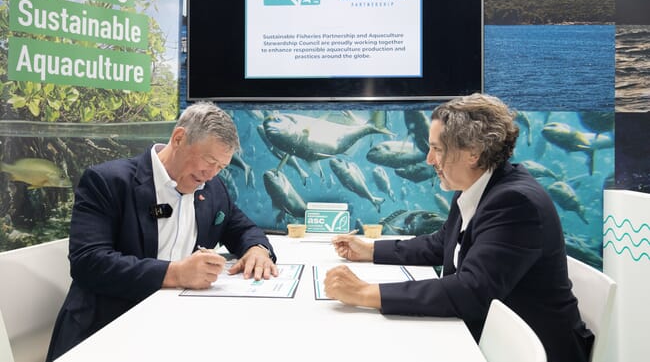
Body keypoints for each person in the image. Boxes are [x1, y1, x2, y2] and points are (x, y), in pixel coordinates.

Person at [324, 93, 593, 362]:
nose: (429, 159)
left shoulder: (516, 203)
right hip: (491, 338)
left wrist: (364, 292)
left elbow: (471, 291)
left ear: (473, 153)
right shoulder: (478, 185)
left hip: (534, 352)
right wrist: (370, 250)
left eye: (438, 149)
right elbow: (440, 244)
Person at [46, 102, 278, 361]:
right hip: (107, 331)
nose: (211, 175)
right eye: (209, 161)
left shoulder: (212, 189)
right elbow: (88, 262)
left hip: (176, 331)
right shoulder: (108, 182)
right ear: (179, 138)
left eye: (221, 167)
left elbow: (243, 228)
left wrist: (258, 249)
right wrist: (175, 273)